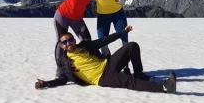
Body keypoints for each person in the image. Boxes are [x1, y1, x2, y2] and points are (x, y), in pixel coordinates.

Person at [66, 0, 157, 75]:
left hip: (118, 14)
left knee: (125, 42)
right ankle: (108, 65)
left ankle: (126, 67)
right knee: (103, 43)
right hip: (102, 16)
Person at [34, 25, 176, 94]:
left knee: (132, 46)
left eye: (70, 40)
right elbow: (62, 79)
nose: (68, 43)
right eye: (65, 42)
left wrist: (122, 32)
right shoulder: (64, 62)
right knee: (128, 82)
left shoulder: (84, 45)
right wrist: (46, 84)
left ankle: (139, 73)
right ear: (61, 46)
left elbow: (103, 40)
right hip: (101, 78)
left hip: (108, 63)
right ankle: (163, 88)